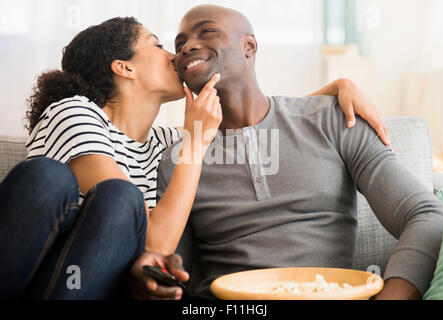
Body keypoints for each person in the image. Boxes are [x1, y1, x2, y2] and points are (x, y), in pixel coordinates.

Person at [0, 16, 389, 300]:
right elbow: (154, 239)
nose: (176, 54)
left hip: (95, 289)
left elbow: (256, 118)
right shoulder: (75, 112)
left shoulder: (164, 145)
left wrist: (337, 87)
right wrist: (196, 144)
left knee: (124, 198)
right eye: (158, 44)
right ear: (124, 67)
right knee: (97, 191)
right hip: (37, 275)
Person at [154, 4, 443, 300]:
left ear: (249, 46)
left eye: (206, 31)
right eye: (179, 45)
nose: (188, 46)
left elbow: (425, 215)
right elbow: (174, 266)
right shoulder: (178, 162)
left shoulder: (334, 119)